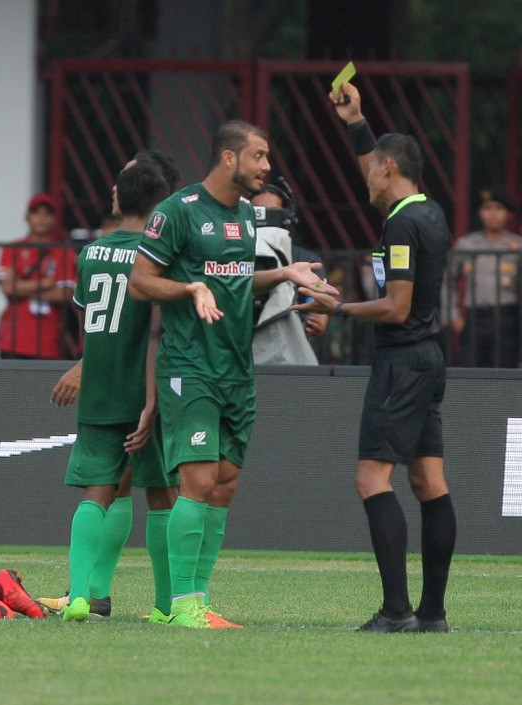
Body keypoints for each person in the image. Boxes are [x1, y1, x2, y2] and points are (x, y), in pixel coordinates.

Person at [128, 120, 335, 629]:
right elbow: (139, 283)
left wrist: (285, 273)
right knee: (197, 481)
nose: (267, 167)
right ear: (228, 158)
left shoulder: (245, 216)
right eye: (259, 156)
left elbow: (237, 279)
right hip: (190, 366)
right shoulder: (176, 211)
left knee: (224, 485)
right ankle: (180, 606)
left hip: (236, 370)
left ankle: (197, 599)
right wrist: (188, 289)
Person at [293, 80, 456, 633]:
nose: (365, 175)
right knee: (429, 482)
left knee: (371, 478)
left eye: (371, 166)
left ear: (388, 167)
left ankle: (396, 611)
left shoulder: (403, 224)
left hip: (403, 359)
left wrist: (338, 307)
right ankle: (431, 615)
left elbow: (396, 307)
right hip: (428, 357)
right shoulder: (426, 211)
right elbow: (376, 169)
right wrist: (356, 122)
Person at [47, 159, 177, 624]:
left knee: (97, 493)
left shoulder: (91, 254)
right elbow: (160, 332)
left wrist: (91, 364)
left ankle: (81, 595)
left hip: (100, 392)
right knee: (163, 496)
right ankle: (166, 606)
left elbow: (87, 325)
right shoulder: (159, 257)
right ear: (160, 203)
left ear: (119, 198)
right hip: (146, 393)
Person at [250, 179, 329, 364]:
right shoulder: (234, 253)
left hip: (286, 357)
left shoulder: (307, 260)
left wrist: (319, 315)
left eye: (273, 213)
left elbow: (318, 301)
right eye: (259, 212)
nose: (265, 219)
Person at [0, 194, 77, 359]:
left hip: (49, 340)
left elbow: (66, 294)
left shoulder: (64, 251)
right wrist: (45, 284)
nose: (42, 218)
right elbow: (7, 288)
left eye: (47, 213)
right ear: (27, 217)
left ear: (54, 219)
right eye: (36, 213)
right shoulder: (12, 248)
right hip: (13, 338)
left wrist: (22, 288)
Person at [449, 188, 522, 367]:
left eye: (498, 209)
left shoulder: (517, 246)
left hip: (506, 317)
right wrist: (452, 315)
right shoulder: (467, 245)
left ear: (508, 214)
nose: (493, 214)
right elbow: (446, 278)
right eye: (488, 208)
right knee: (467, 372)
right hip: (475, 317)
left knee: (503, 373)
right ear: (480, 212)